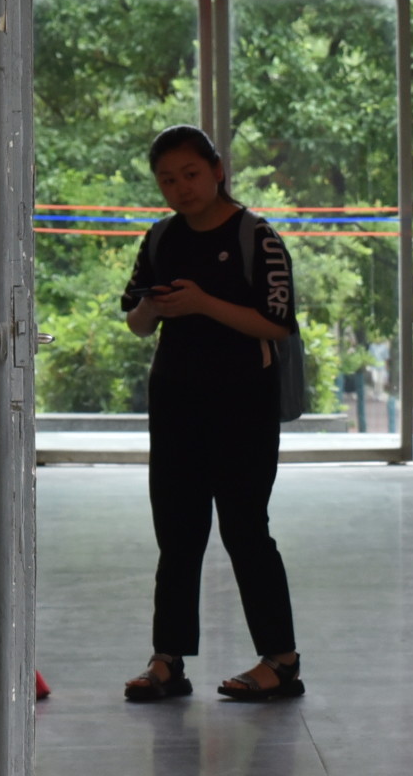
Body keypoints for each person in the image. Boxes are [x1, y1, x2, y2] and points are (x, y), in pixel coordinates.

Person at [120, 125, 305, 704]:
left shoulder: (257, 237)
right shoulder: (160, 237)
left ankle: (281, 660)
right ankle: (167, 660)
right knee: (177, 533)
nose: (180, 188)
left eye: (190, 174)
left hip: (243, 403)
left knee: (246, 530)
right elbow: (136, 321)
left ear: (218, 170)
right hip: (176, 401)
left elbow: (276, 323)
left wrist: (202, 303)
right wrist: (154, 307)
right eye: (167, 180)